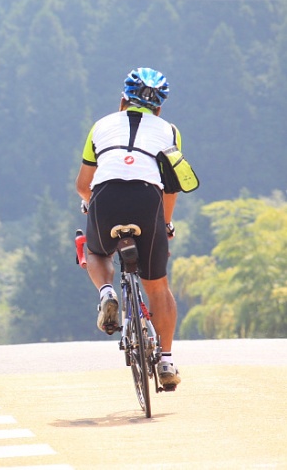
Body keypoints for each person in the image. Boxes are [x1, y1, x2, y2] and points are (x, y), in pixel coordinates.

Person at [75, 67, 181, 389]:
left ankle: (107, 292)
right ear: (159, 109)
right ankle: (165, 361)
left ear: (123, 100)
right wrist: (164, 225)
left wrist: (90, 203)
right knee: (158, 286)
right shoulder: (169, 131)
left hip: (105, 195)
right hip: (147, 200)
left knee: (95, 250)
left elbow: (83, 184)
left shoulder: (101, 126)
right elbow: (170, 188)